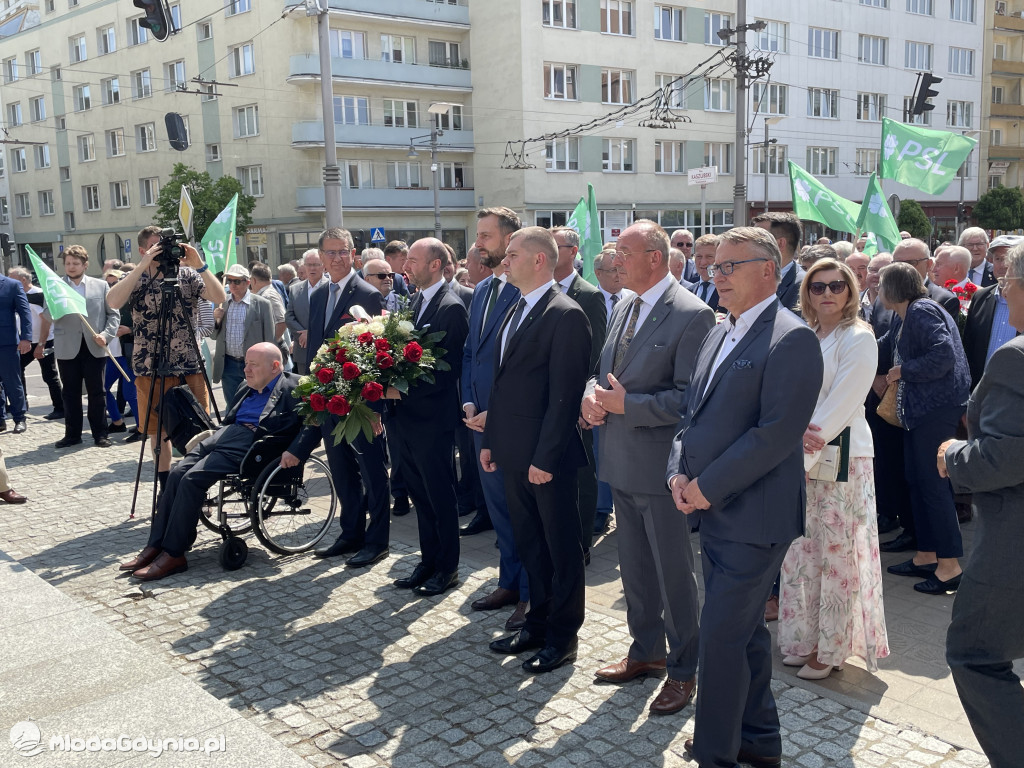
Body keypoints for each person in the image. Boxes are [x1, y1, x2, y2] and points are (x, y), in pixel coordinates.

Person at [666, 226, 823, 768]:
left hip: (754, 519)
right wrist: (676, 473)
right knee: (745, 633)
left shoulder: (791, 336)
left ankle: (716, 754)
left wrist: (705, 486)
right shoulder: (718, 330)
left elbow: (775, 434)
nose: (718, 276)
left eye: (730, 266)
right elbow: (692, 415)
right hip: (712, 512)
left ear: (769, 269)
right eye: (715, 267)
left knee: (721, 639)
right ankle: (758, 743)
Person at [583, 220, 715, 714]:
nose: (616, 262)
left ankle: (684, 670)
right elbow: (605, 376)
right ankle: (646, 652)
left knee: (674, 574)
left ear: (655, 258)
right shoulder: (624, 303)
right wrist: (591, 401)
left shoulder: (692, 314)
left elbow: (691, 399)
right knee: (635, 571)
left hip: (662, 469)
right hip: (619, 461)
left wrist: (625, 406)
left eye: (625, 253)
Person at [484, 227, 592, 674]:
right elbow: (504, 386)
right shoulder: (514, 308)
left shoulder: (565, 314)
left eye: (511, 254)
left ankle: (563, 637)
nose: (503, 262)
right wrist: (492, 442)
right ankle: (537, 622)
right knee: (530, 544)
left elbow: (565, 397)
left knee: (560, 549)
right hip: (512, 454)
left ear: (539, 261)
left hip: (547, 461)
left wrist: (544, 460)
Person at [778, 253, 889, 681]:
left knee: (837, 557)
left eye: (836, 286)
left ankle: (833, 648)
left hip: (840, 458)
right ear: (806, 292)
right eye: (817, 286)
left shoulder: (858, 336)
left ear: (850, 292)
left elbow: (844, 402)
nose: (826, 293)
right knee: (803, 552)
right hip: (801, 455)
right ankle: (805, 638)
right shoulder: (806, 333)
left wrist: (801, 452)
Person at [120, 344, 304, 581]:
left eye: (253, 365)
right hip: (226, 433)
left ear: (275, 366)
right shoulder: (244, 386)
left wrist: (295, 451)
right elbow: (230, 418)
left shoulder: (295, 387)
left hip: (254, 442)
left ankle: (174, 553)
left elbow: (311, 424)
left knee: (192, 479)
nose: (246, 369)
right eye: (246, 363)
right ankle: (155, 545)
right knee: (176, 473)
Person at [941, 250, 1024, 768]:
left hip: (1013, 540)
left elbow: (1004, 457)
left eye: (1009, 279)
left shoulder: (1017, 357)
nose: (1002, 289)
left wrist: (954, 458)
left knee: (974, 654)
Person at [282, 228, 390, 569]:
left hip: (360, 402)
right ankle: (350, 533)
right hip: (329, 399)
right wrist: (316, 395)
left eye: (343, 252)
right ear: (320, 256)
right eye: (330, 253)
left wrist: (375, 409)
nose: (337, 258)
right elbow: (316, 351)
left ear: (353, 253)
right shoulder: (316, 296)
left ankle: (377, 541)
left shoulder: (369, 294)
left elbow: (376, 354)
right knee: (342, 471)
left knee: (372, 472)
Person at [105, 225, 226, 486]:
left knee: (198, 430)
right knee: (157, 433)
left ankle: (196, 485)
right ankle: (164, 488)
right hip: (151, 366)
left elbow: (219, 296)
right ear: (142, 249)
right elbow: (113, 301)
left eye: (165, 245)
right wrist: (142, 265)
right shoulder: (137, 278)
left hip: (189, 365)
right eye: (155, 246)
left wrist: (200, 265)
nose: (163, 251)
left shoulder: (187, 275)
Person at [877, 262, 970, 594]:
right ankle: (926, 556)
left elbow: (943, 356)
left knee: (932, 486)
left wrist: (903, 370)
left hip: (935, 411)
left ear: (894, 288)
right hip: (923, 412)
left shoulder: (921, 311)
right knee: (918, 482)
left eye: (881, 283)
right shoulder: (908, 314)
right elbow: (880, 344)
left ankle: (949, 567)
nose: (875, 288)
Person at [387, 238, 469, 596]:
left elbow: (445, 372)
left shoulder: (451, 307)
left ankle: (447, 568)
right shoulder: (416, 300)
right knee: (420, 494)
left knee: (439, 495)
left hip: (432, 421)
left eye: (415, 260)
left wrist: (399, 390)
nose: (407, 266)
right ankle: (428, 560)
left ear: (436, 265)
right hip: (406, 418)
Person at [463, 207, 527, 629]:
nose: (478, 243)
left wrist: (495, 413)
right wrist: (468, 401)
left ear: (510, 241)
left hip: (511, 424)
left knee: (523, 511)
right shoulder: (483, 291)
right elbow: (472, 354)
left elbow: (526, 369)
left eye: (486, 235)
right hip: (477, 421)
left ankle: (530, 592)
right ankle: (509, 580)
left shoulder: (528, 293)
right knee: (499, 508)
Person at [551, 226, 607, 552]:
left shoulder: (589, 295)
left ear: (573, 252)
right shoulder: (541, 291)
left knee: (583, 474)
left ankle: (582, 544)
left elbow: (594, 354)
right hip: (548, 402)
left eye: (555, 246)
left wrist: (581, 401)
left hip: (577, 404)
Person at [38, 245, 120, 449]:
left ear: (85, 264)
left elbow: (113, 315)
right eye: (68, 263)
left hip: (94, 344)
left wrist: (106, 335)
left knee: (97, 392)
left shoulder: (100, 286)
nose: (71, 267)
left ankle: (100, 434)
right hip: (67, 346)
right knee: (70, 393)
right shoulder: (56, 286)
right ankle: (72, 434)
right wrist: (56, 304)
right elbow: (48, 316)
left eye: (75, 263)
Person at [590, 245, 634, 535]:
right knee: (599, 451)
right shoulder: (588, 299)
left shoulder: (632, 299)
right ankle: (601, 508)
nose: (619, 275)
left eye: (621, 269)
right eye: (612, 270)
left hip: (628, 393)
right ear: (597, 273)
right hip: (595, 390)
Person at [212, 264, 275, 403]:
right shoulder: (222, 303)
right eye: (229, 281)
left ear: (248, 282)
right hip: (228, 363)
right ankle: (233, 425)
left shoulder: (262, 304)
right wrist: (216, 320)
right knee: (232, 404)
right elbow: (213, 335)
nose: (232, 285)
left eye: (237, 281)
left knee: (256, 400)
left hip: (254, 363)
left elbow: (269, 338)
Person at [9, 267, 63, 420]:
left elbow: (45, 321)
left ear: (23, 280)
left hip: (42, 340)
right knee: (17, 371)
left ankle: (60, 407)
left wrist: (41, 344)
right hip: (26, 340)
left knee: (50, 375)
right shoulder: (18, 294)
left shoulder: (38, 295)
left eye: (11, 278)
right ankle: (21, 404)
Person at [891, 238, 960, 318]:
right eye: (899, 263)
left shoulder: (944, 300)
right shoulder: (883, 298)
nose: (904, 268)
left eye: (912, 263)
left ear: (929, 265)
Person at [0, 269, 32, 435]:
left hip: (7, 342)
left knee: (12, 382)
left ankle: (19, 418)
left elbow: (25, 312)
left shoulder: (12, 285)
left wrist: (26, 338)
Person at [752, 211, 805, 311]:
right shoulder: (750, 278)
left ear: (780, 243)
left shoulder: (803, 287)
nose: (751, 245)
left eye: (758, 240)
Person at [285, 249, 327, 375]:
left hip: (325, 350)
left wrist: (312, 334)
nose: (312, 268)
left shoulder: (332, 287)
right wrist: (302, 335)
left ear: (323, 266)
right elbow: (289, 316)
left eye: (316, 264)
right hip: (303, 349)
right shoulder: (295, 289)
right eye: (308, 265)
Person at [250, 262, 291, 370]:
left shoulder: (268, 295)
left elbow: (282, 321)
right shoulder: (266, 294)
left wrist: (270, 345)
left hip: (274, 352)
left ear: (253, 280)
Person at [690, 234, 721, 312]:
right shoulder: (688, 291)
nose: (703, 262)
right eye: (699, 256)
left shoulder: (728, 290)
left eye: (709, 257)